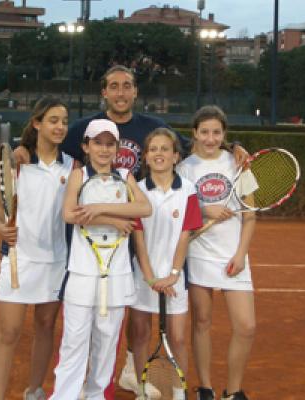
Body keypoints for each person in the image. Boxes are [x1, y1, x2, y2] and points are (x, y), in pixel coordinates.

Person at [58, 65, 251, 399]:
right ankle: (128, 372)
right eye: (114, 87)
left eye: (127, 86)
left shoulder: (155, 129)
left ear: (135, 91)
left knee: (126, 319)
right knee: (129, 320)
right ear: (104, 92)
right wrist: (23, 150)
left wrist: (233, 145)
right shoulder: (83, 128)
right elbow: (50, 138)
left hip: (148, 232)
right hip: (109, 244)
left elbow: (202, 142)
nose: (121, 92)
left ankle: (140, 376)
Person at [49, 119, 152, 400]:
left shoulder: (125, 176)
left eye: (110, 144)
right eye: (98, 143)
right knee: (74, 343)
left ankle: (96, 396)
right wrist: (114, 219)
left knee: (106, 345)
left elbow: (145, 207)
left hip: (117, 276)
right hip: (82, 274)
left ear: (117, 148)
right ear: (86, 146)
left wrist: (98, 208)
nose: (104, 150)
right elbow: (70, 214)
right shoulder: (78, 176)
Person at [0, 97, 75, 400]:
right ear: (37, 123)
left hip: (56, 263)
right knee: (9, 332)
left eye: (64, 121)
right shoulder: (18, 163)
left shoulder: (72, 165)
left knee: (45, 327)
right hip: (19, 260)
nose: (60, 126)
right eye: (53, 120)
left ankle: (34, 390)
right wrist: (0, 227)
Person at [176, 105, 257, 400]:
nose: (210, 138)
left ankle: (233, 391)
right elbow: (180, 215)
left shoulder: (239, 165)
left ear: (224, 135)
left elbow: (250, 215)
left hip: (234, 257)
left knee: (246, 326)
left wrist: (240, 254)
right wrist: (202, 207)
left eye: (216, 132)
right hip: (199, 256)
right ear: (194, 133)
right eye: (205, 132)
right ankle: (206, 388)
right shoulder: (184, 169)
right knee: (202, 322)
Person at [130, 128, 203, 400]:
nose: (159, 154)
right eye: (153, 150)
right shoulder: (136, 191)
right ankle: (142, 390)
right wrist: (150, 278)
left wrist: (172, 274)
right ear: (146, 158)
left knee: (178, 338)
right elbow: (138, 239)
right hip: (142, 276)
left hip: (175, 279)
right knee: (139, 334)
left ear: (175, 156)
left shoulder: (188, 191)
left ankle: (178, 392)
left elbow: (185, 235)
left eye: (165, 149)